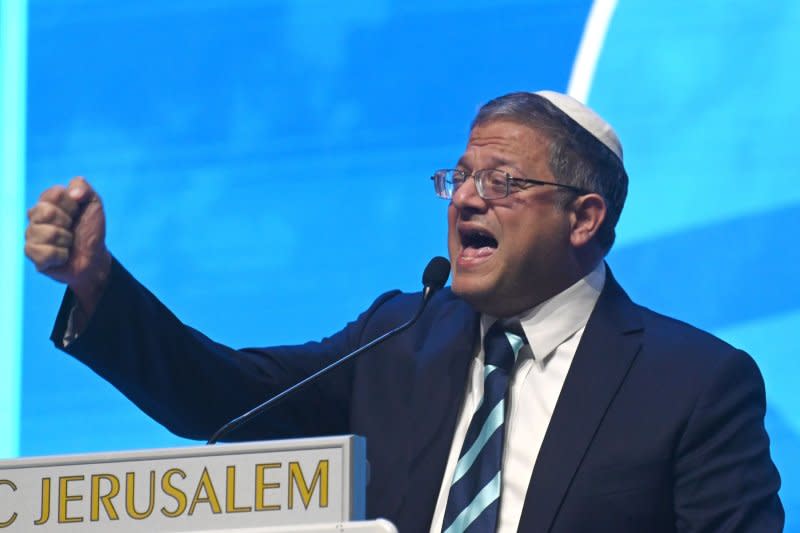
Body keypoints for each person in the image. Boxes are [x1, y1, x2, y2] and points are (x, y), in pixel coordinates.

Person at [24, 91, 784, 532]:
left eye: (502, 181)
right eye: (460, 175)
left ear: (584, 218)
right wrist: (96, 282)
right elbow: (220, 399)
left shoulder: (692, 382)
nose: (467, 198)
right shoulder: (398, 335)